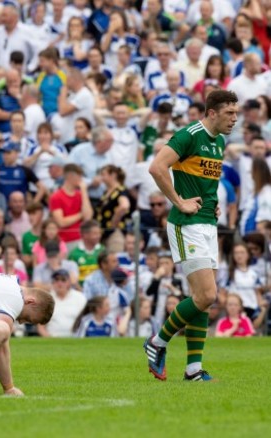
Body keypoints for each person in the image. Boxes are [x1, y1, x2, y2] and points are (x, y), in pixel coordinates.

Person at [145, 89, 239, 382]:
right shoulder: (189, 135)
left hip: (207, 222)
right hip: (187, 224)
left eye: (236, 113)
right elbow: (157, 167)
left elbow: (204, 181)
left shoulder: (219, 142)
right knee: (207, 294)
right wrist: (179, 201)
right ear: (212, 113)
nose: (234, 119)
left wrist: (213, 204)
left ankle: (193, 369)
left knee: (203, 298)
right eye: (229, 113)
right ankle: (157, 342)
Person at [38, 269, 87, 337]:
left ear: (69, 282)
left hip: (76, 339)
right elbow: (41, 327)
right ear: (53, 283)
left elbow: (86, 320)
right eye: (57, 280)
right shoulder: (46, 299)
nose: (60, 283)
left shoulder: (80, 297)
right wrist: (49, 340)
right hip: (52, 338)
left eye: (63, 280)